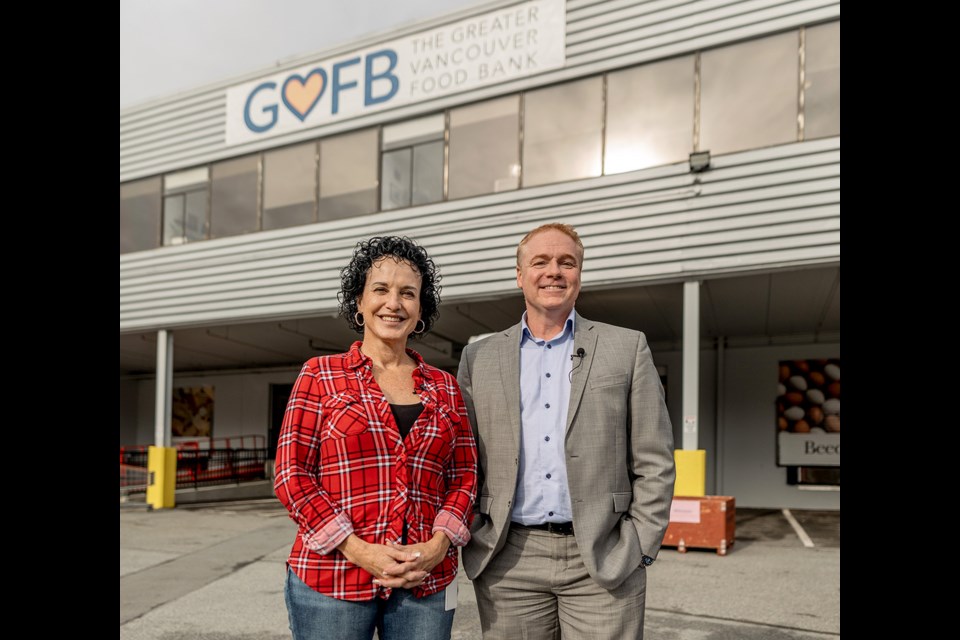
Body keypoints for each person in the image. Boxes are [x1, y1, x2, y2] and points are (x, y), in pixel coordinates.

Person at [457, 223, 676, 640]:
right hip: (508, 557)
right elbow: (464, 458)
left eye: (566, 262)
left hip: (604, 556)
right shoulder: (479, 356)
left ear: (579, 275)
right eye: (540, 262)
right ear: (520, 275)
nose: (554, 271)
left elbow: (655, 457)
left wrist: (640, 544)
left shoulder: (627, 347)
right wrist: (475, 531)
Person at [275, 236, 478, 640]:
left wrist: (439, 544)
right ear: (359, 302)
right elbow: (292, 475)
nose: (394, 303)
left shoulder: (445, 387)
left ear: (420, 308)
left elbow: (466, 475)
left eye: (408, 293)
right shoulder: (320, 374)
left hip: (426, 579)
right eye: (380, 289)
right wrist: (357, 549)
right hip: (333, 577)